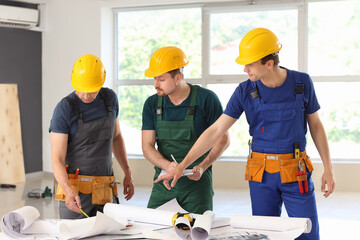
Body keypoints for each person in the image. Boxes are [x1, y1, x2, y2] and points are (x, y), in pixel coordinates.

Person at [155, 28, 335, 239]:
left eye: (250, 64)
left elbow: (316, 125)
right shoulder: (244, 91)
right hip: (261, 174)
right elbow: (215, 130)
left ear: (268, 63)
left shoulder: (301, 83)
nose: (244, 68)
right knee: (263, 234)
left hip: (296, 171)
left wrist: (328, 168)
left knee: (308, 233)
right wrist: (183, 165)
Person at [142, 46, 230, 214]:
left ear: (178, 77)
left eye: (161, 79)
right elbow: (146, 146)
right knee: (152, 230)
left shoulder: (206, 99)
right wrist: (169, 166)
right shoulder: (152, 104)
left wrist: (203, 166)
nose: (155, 84)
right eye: (154, 78)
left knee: (197, 233)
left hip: (197, 185)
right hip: (164, 183)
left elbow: (223, 139)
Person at [50, 54, 134, 219]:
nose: (86, 96)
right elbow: (57, 159)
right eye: (82, 90)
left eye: (92, 91)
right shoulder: (65, 109)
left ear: (101, 82)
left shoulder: (110, 99)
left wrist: (127, 173)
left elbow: (116, 137)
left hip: (105, 190)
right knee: (75, 235)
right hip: (76, 192)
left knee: (109, 234)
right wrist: (68, 191)